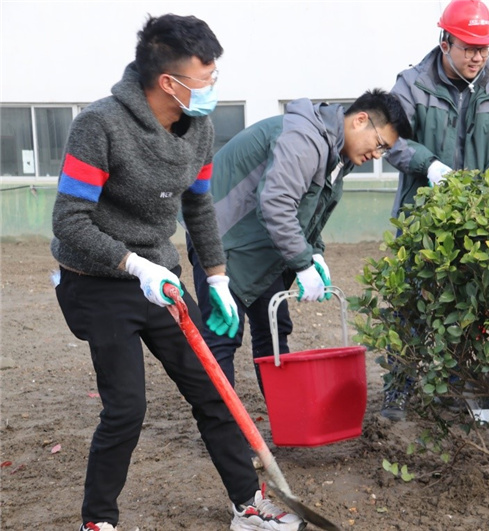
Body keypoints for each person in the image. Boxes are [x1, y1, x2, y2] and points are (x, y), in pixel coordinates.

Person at [50, 14, 304, 531]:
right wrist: (133, 264)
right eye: (205, 77)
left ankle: (248, 505)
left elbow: (199, 206)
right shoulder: (100, 125)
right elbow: (69, 221)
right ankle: (97, 522)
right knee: (126, 408)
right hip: (98, 280)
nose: (212, 86)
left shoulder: (199, 129)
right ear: (169, 82)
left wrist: (217, 277)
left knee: (214, 391)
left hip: (161, 282)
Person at [186, 89, 412, 413]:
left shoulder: (336, 154)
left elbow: (311, 210)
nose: (378, 155)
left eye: (385, 150)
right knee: (224, 334)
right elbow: (276, 204)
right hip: (221, 240)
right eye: (379, 144)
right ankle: (225, 434)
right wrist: (303, 263)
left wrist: (315, 251)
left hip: (259, 245)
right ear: (360, 120)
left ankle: (287, 419)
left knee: (274, 329)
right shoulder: (304, 139)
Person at [380, 0, 489, 421]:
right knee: (410, 304)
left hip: (478, 220)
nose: (477, 57)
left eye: (484, 48)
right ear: (445, 43)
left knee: (473, 306)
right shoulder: (412, 85)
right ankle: (398, 391)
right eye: (469, 48)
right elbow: (389, 137)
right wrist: (429, 166)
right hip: (420, 219)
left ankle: (462, 388)